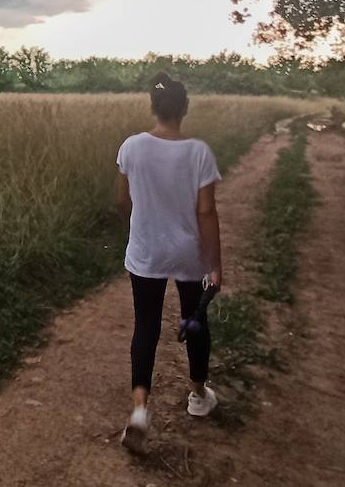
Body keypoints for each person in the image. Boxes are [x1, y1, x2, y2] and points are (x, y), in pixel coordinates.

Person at [115, 72, 222, 455]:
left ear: (153, 107)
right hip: (188, 253)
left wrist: (143, 216)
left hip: (145, 252)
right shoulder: (199, 152)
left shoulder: (131, 147)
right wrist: (215, 264)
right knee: (194, 321)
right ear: (184, 108)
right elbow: (206, 212)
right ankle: (197, 395)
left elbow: (123, 199)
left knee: (146, 326)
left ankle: (140, 411)